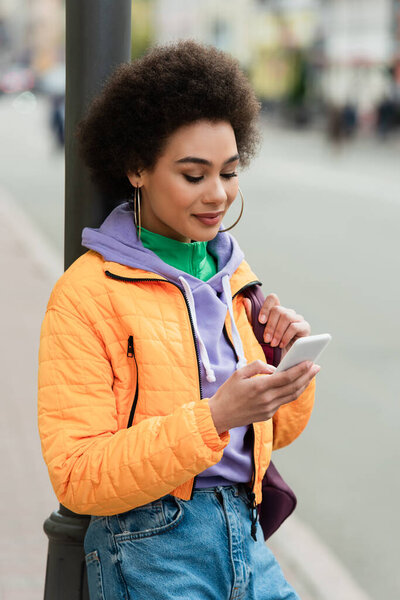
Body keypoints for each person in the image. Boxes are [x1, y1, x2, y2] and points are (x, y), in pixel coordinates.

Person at [38, 40, 318, 600]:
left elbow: (272, 435)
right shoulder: (87, 293)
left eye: (230, 172)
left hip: (246, 533)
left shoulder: (237, 277)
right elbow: (77, 473)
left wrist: (285, 373)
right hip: (147, 545)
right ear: (137, 168)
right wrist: (215, 416)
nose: (218, 195)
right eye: (194, 175)